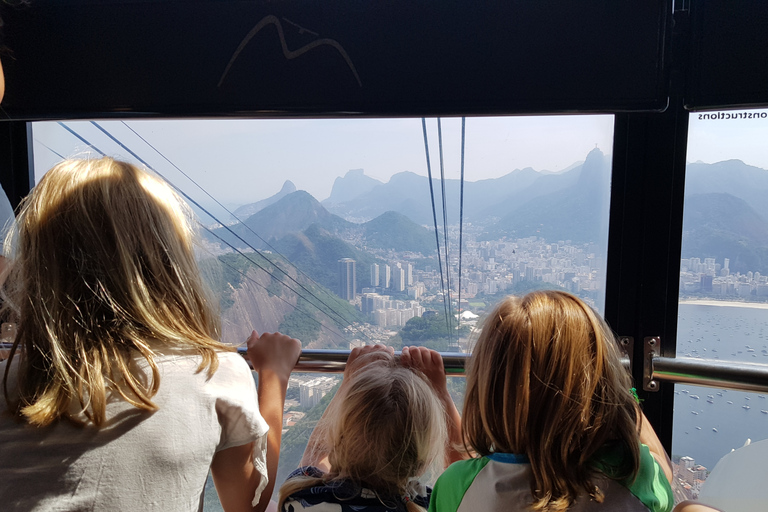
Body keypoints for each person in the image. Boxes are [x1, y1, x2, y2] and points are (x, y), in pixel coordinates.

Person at [0, 157, 302, 511]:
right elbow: (247, 501)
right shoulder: (213, 373)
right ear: (170, 261)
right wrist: (274, 375)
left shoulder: (11, 385)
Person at [430, 290, 674, 512]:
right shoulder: (634, 475)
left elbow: (468, 483)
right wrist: (623, 395)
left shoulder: (457, 485)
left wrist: (439, 392)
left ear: (487, 388)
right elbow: (662, 467)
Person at [278, 344, 464, 512]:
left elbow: (314, 455)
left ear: (338, 439)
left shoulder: (303, 498)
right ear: (425, 460)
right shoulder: (429, 504)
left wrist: (349, 381)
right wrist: (441, 393)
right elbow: (467, 475)